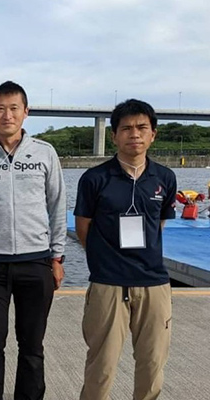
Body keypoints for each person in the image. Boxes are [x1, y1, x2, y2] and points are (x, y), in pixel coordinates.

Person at [0, 80, 66, 400]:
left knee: (32, 345)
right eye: (0, 109)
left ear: (26, 112)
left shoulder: (45, 153)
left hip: (35, 261)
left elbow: (57, 204)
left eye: (14, 108)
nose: (7, 115)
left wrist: (57, 256)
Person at [75, 99, 177, 400]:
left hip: (153, 282)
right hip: (108, 282)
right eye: (127, 128)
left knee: (153, 363)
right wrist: (107, 259)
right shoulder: (95, 179)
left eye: (142, 127)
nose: (135, 134)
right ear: (114, 136)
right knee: (101, 365)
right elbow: (84, 229)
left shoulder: (165, 179)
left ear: (153, 134)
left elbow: (158, 226)